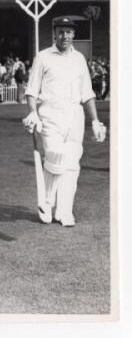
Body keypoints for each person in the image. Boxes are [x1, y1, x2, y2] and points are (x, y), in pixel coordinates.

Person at [22, 16, 106, 227]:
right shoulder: (42, 57)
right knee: (56, 155)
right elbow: (31, 90)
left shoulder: (79, 59)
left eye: (69, 32)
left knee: (72, 164)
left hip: (75, 117)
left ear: (74, 34)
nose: (65, 36)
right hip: (50, 115)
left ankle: (64, 211)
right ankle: (48, 201)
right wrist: (32, 112)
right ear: (54, 33)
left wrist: (95, 120)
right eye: (61, 32)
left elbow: (87, 93)